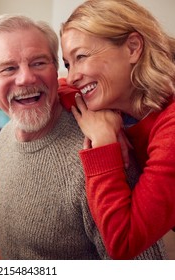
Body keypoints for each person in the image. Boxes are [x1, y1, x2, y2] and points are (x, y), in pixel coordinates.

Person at [0, 14, 166, 259]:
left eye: (39, 63)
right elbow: (16, 219)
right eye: (8, 68)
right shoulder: (6, 137)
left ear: (54, 72)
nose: (26, 77)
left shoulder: (102, 153)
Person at [60, 0, 175, 260]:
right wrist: (109, 120)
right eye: (68, 63)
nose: (71, 76)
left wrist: (103, 143)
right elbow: (58, 89)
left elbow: (123, 242)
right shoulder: (123, 104)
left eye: (81, 57)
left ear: (133, 48)